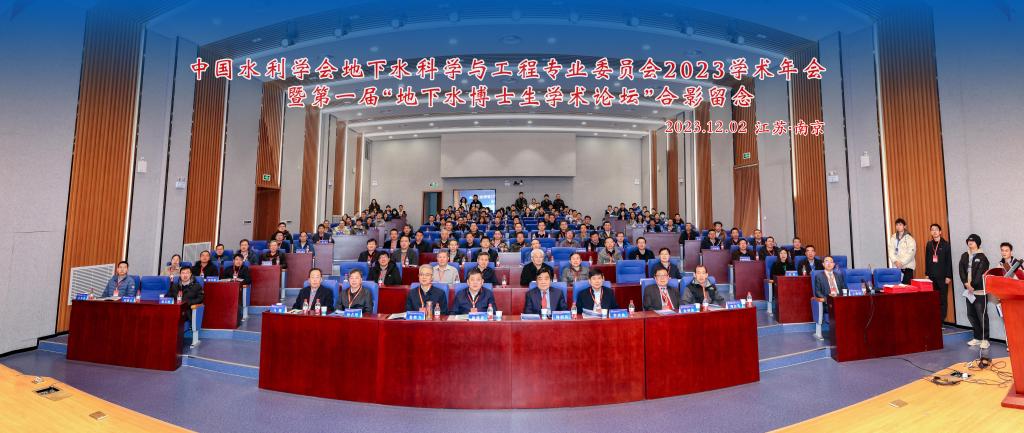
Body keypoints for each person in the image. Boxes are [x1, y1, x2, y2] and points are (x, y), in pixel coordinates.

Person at [958, 234, 990, 349]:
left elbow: (980, 273)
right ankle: (977, 337)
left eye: (973, 241)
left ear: (977, 243)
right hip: (969, 291)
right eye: (968, 241)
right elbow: (961, 270)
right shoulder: (964, 255)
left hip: (979, 291)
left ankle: (985, 339)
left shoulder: (982, 257)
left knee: (981, 315)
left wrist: (972, 285)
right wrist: (965, 283)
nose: (970, 242)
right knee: (971, 314)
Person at [924, 223, 954, 322]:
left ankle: (941, 321)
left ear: (940, 232)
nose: (934, 231)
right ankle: (935, 320)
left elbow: (949, 261)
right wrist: (927, 274)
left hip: (943, 277)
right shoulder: (929, 245)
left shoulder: (946, 244)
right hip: (931, 277)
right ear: (930, 232)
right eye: (932, 230)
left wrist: (948, 276)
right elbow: (927, 260)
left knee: (942, 299)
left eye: (936, 229)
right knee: (933, 299)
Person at [888, 218, 917, 284]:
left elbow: (911, 253)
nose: (898, 226)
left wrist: (901, 262)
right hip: (896, 267)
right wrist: (895, 261)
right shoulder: (893, 238)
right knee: (897, 287)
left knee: (906, 287)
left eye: (900, 225)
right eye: (897, 225)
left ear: (904, 226)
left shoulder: (909, 238)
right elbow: (890, 251)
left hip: (907, 267)